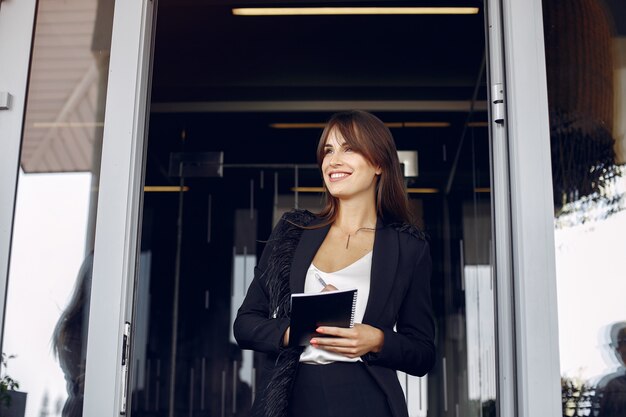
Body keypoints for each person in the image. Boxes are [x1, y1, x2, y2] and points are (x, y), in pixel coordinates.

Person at [233, 110, 436, 417]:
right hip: (293, 396)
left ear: (379, 163)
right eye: (328, 150)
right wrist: (297, 329)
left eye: (349, 148)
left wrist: (377, 340)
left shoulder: (408, 247)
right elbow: (245, 324)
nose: (333, 160)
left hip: (367, 397)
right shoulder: (294, 232)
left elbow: (423, 353)